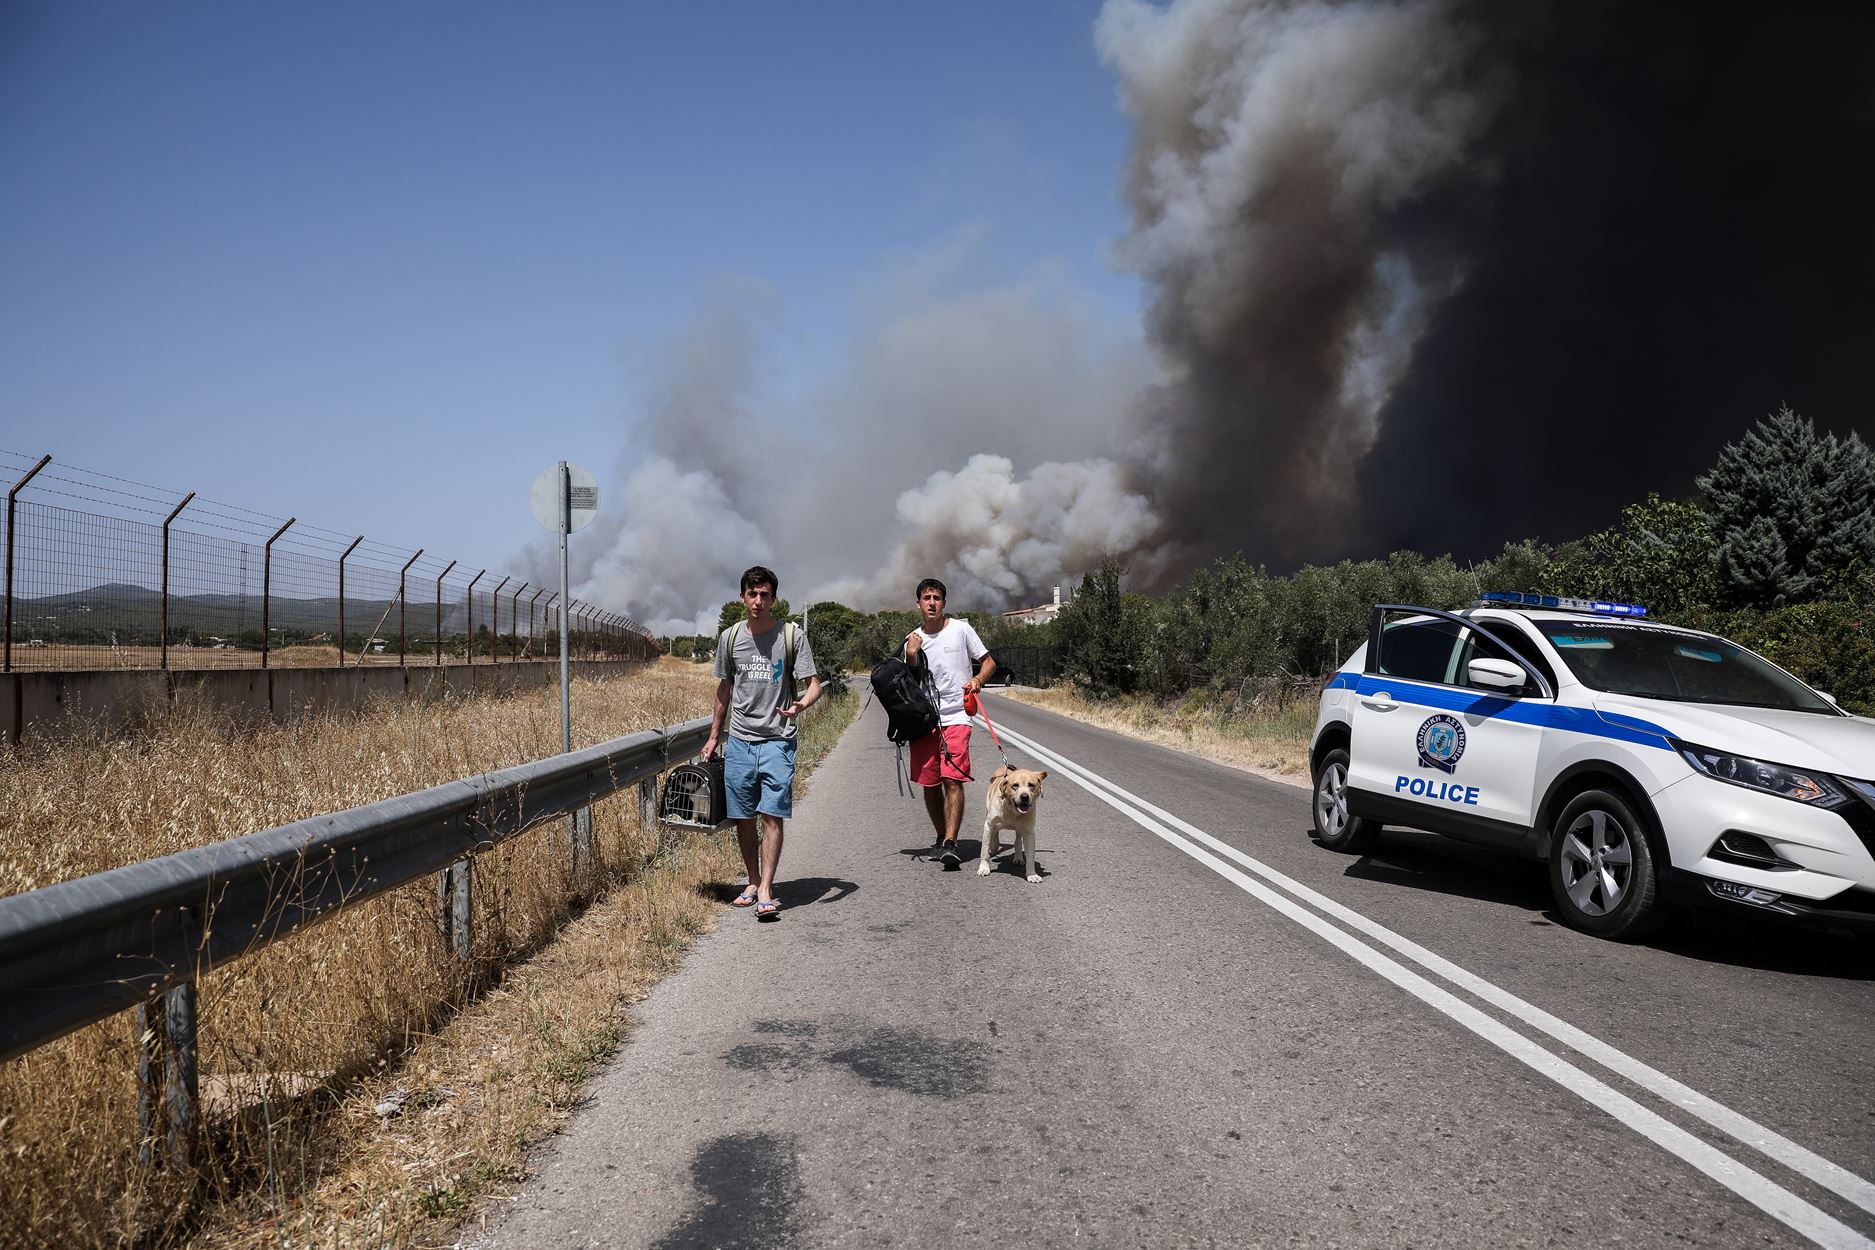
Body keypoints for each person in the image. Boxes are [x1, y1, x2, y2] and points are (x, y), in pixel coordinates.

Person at [700, 566, 822, 919]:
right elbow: (724, 689)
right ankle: (752, 880)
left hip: (777, 740)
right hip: (739, 741)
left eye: (764, 595)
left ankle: (766, 887)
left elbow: (813, 683)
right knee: (742, 817)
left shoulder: (791, 635)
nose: (758, 601)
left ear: (773, 598)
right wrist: (713, 737)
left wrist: (801, 704)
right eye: (752, 595)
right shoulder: (730, 638)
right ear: (742, 597)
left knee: (772, 815)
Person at [902, 577, 995, 869]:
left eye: (937, 598)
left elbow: (989, 661)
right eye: (926, 598)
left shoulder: (961, 630)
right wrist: (911, 655)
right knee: (930, 782)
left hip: (957, 716)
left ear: (944, 603)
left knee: (951, 778)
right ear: (918, 604)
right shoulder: (912, 639)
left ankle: (951, 842)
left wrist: (978, 679)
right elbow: (907, 683)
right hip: (925, 720)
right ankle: (941, 836)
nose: (932, 603)